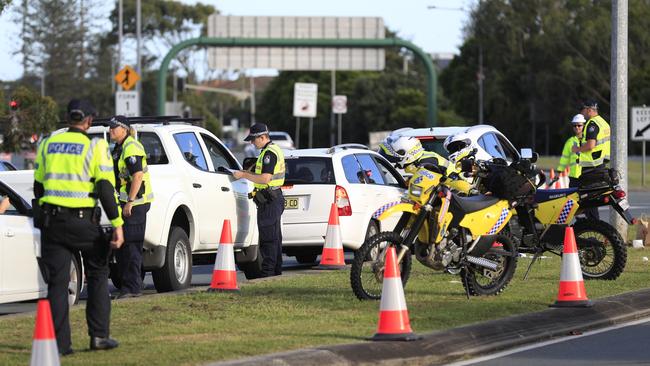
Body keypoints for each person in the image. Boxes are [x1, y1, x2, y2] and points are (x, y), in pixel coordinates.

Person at [34, 99, 124, 355]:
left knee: (58, 284)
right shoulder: (95, 147)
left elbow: (39, 186)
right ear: (89, 121)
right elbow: (106, 190)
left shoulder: (47, 144)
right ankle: (98, 336)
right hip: (84, 222)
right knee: (97, 273)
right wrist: (117, 224)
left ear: (68, 118)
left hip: (53, 223)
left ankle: (60, 346)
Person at [108, 115, 153, 299]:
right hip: (126, 203)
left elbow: (137, 176)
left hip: (135, 205)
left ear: (125, 130)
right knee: (125, 247)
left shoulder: (131, 147)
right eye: (110, 127)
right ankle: (132, 285)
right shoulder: (119, 147)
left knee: (131, 247)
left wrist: (130, 201)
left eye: (114, 128)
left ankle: (132, 288)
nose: (110, 130)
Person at [233, 123, 285, 278]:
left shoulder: (269, 153)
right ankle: (276, 271)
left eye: (253, 139)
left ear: (262, 137)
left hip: (270, 200)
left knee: (268, 238)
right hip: (273, 198)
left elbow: (265, 178)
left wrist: (243, 175)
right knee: (275, 237)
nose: (251, 143)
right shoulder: (269, 151)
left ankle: (268, 272)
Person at [572, 99, 611, 220]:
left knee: (587, 199)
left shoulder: (592, 124)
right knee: (591, 200)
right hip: (601, 164)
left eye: (583, 110)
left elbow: (590, 145)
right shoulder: (604, 123)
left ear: (589, 110)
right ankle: (590, 224)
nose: (582, 113)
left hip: (592, 167)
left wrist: (577, 149)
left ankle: (591, 225)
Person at [557, 114, 585, 187]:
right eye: (574, 125)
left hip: (586, 175)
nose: (576, 127)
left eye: (579, 125)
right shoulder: (570, 142)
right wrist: (559, 172)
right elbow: (564, 158)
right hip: (573, 177)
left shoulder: (589, 140)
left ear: (584, 126)